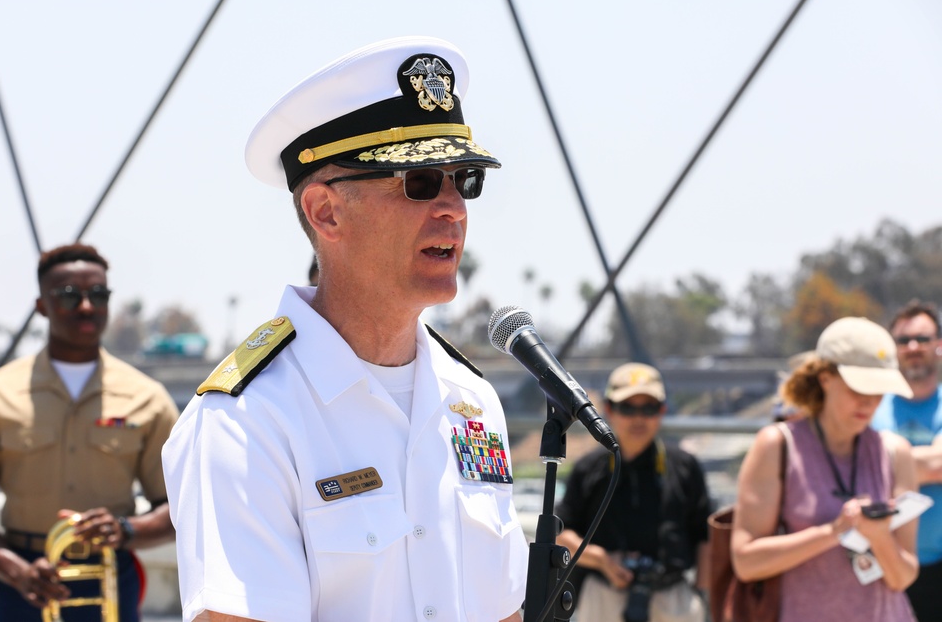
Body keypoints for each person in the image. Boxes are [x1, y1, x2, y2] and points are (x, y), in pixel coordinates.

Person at [162, 37, 528, 622]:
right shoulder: (245, 419)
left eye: (464, 181)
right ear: (325, 212)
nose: (453, 207)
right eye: (419, 182)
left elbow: (504, 610)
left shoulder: (473, 402)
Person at [0, 243, 179, 622]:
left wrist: (125, 529)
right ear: (41, 306)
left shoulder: (147, 398)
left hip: (110, 579)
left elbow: (178, 508)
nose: (86, 306)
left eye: (98, 294)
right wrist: (15, 570)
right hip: (19, 580)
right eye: (69, 296)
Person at [732, 316, 920, 621]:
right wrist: (834, 532)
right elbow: (745, 563)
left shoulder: (896, 452)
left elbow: (902, 578)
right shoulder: (778, 446)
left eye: (879, 390)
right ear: (825, 378)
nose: (870, 402)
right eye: (858, 388)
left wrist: (879, 536)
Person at [555, 362, 711, 622]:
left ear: (662, 411)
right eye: (627, 408)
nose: (638, 418)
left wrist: (702, 594)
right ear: (608, 410)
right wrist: (602, 560)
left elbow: (705, 536)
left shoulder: (685, 465)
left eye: (648, 408)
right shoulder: (588, 468)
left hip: (674, 597)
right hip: (604, 595)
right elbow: (561, 532)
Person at [871, 300, 942, 620]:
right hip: (879, 564)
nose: (913, 347)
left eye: (923, 339)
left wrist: (879, 464)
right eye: (903, 340)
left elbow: (939, 465)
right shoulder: (869, 406)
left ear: (939, 345)